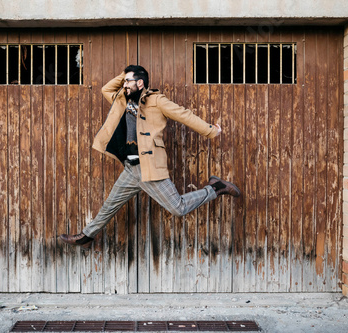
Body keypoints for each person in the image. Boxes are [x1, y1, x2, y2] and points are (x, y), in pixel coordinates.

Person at [60, 65, 240, 249]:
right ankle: (86, 237)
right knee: (109, 206)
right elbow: (105, 89)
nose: (124, 85)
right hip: (131, 170)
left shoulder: (157, 101)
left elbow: (184, 115)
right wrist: (125, 73)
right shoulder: (122, 99)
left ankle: (216, 188)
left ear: (140, 82)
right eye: (124, 82)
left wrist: (210, 131)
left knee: (178, 208)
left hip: (149, 168)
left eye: (128, 82)